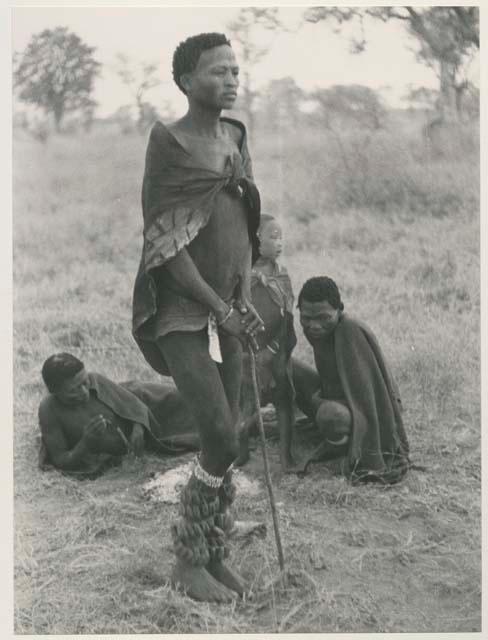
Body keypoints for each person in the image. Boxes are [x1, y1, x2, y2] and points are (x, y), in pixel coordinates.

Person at [132, 33, 263, 602]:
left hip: (232, 305)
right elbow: (163, 243)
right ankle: (186, 561)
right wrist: (217, 307)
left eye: (235, 70)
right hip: (184, 305)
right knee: (215, 432)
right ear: (186, 81)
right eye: (217, 71)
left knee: (231, 432)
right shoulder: (168, 142)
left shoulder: (235, 136)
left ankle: (212, 549)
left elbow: (245, 226)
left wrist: (246, 295)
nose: (231, 79)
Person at [296, 276, 410, 484]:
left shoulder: (349, 330)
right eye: (306, 318)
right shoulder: (322, 330)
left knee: (331, 415)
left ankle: (343, 451)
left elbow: (368, 400)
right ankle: (335, 433)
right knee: (289, 367)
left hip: (363, 411)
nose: (314, 326)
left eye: (323, 318)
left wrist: (320, 402)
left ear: (339, 310)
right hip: (338, 398)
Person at [38, 353, 200, 477]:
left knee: (187, 400)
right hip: (133, 445)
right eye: (73, 390)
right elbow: (61, 460)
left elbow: (132, 403)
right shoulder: (49, 410)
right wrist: (85, 443)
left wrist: (139, 426)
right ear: (54, 391)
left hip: (144, 401)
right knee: (186, 437)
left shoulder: (95, 379)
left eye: (84, 382)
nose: (85, 392)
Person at [237, 215, 298, 470]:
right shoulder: (244, 278)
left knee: (284, 399)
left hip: (277, 349)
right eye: (273, 237)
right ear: (255, 240)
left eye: (281, 236)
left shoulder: (282, 276)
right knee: (246, 404)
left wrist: (275, 350)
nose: (280, 242)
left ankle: (286, 455)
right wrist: (255, 353)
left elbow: (287, 317)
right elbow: (238, 318)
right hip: (249, 352)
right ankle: (240, 451)